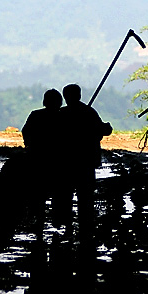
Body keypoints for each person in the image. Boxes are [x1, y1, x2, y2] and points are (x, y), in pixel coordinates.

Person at [59, 83, 112, 218]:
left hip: (66, 162)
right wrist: (107, 127)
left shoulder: (62, 114)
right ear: (79, 95)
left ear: (65, 97)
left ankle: (67, 224)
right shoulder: (89, 112)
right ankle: (85, 223)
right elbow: (104, 131)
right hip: (86, 161)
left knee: (66, 195)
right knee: (86, 196)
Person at [21, 88, 63, 215]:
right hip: (58, 160)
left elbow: (26, 131)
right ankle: (58, 217)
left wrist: (29, 145)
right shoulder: (63, 117)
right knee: (58, 192)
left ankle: (37, 216)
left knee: (38, 192)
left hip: (37, 158)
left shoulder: (35, 115)